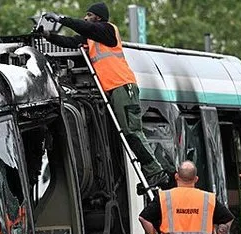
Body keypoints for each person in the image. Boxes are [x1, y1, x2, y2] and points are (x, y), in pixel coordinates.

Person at [39, 2, 169, 189]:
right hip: (114, 88)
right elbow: (70, 42)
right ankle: (152, 171)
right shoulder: (92, 38)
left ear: (98, 18)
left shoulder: (108, 31)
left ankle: (155, 171)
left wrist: (61, 19)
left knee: (131, 131)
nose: (86, 18)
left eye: (89, 15)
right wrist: (48, 36)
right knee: (126, 132)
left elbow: (87, 27)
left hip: (123, 86)